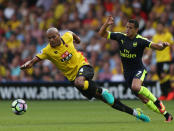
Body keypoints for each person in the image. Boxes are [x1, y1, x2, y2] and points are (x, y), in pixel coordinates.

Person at [20, 27, 150, 122]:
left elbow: (71, 33)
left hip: (84, 67)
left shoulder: (67, 37)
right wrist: (29, 64)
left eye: (54, 36)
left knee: (80, 82)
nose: (52, 40)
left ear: (59, 35)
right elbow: (36, 59)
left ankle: (102, 90)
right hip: (74, 79)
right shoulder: (48, 50)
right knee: (107, 101)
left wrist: (77, 38)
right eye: (49, 38)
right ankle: (135, 113)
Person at [98, 16, 173, 122]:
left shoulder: (140, 40)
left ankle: (157, 102)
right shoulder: (120, 37)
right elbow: (102, 34)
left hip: (139, 70)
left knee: (135, 86)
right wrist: (106, 24)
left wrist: (163, 46)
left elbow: (155, 46)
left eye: (130, 28)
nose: (127, 30)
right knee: (143, 99)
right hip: (127, 73)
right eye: (127, 27)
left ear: (136, 30)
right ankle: (167, 115)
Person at [151, 22, 174, 101]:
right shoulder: (155, 36)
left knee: (164, 75)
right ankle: (164, 94)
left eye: (160, 26)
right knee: (160, 77)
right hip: (158, 60)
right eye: (158, 26)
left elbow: (173, 47)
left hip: (166, 59)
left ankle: (171, 92)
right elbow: (153, 47)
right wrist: (148, 56)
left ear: (163, 27)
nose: (159, 28)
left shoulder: (168, 35)